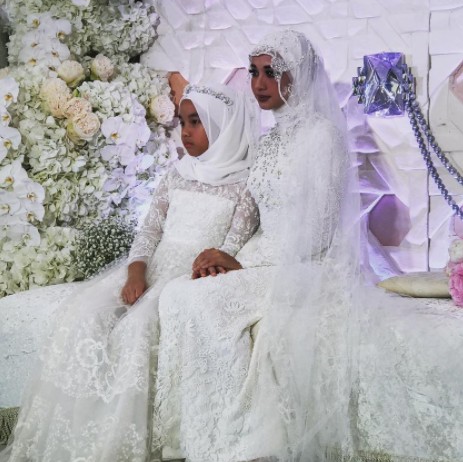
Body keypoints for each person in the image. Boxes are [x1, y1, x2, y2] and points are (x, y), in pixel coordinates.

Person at [1, 83, 259, 462]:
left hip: (186, 278)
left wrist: (211, 266)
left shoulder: (244, 186)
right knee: (85, 313)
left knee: (138, 329)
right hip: (150, 266)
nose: (185, 131)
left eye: (196, 122)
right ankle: (76, 430)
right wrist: (135, 272)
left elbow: (230, 248)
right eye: (182, 122)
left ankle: (120, 439)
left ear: (224, 126)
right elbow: (149, 230)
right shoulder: (177, 174)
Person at [153, 30, 360, 462]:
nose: (260, 83)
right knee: (178, 293)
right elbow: (252, 215)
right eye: (254, 72)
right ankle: (193, 434)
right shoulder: (267, 143)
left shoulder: (322, 137)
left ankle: (238, 439)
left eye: (272, 72)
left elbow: (319, 233)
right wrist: (227, 255)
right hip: (262, 259)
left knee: (205, 303)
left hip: (307, 267)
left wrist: (242, 264)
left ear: (298, 74)